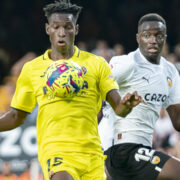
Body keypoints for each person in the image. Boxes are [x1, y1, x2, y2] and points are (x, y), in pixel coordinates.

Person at [0, 1, 144, 180]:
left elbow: (119, 109)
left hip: (91, 155)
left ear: (76, 29)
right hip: (56, 151)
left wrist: (127, 105)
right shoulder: (32, 69)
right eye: (56, 27)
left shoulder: (96, 64)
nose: (62, 32)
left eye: (67, 27)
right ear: (47, 29)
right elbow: (16, 116)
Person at [103, 13, 180, 180]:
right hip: (118, 149)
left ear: (165, 38)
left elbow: (178, 121)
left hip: (141, 150)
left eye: (158, 35)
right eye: (147, 35)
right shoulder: (126, 63)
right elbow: (97, 85)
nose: (153, 40)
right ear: (138, 38)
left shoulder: (170, 71)